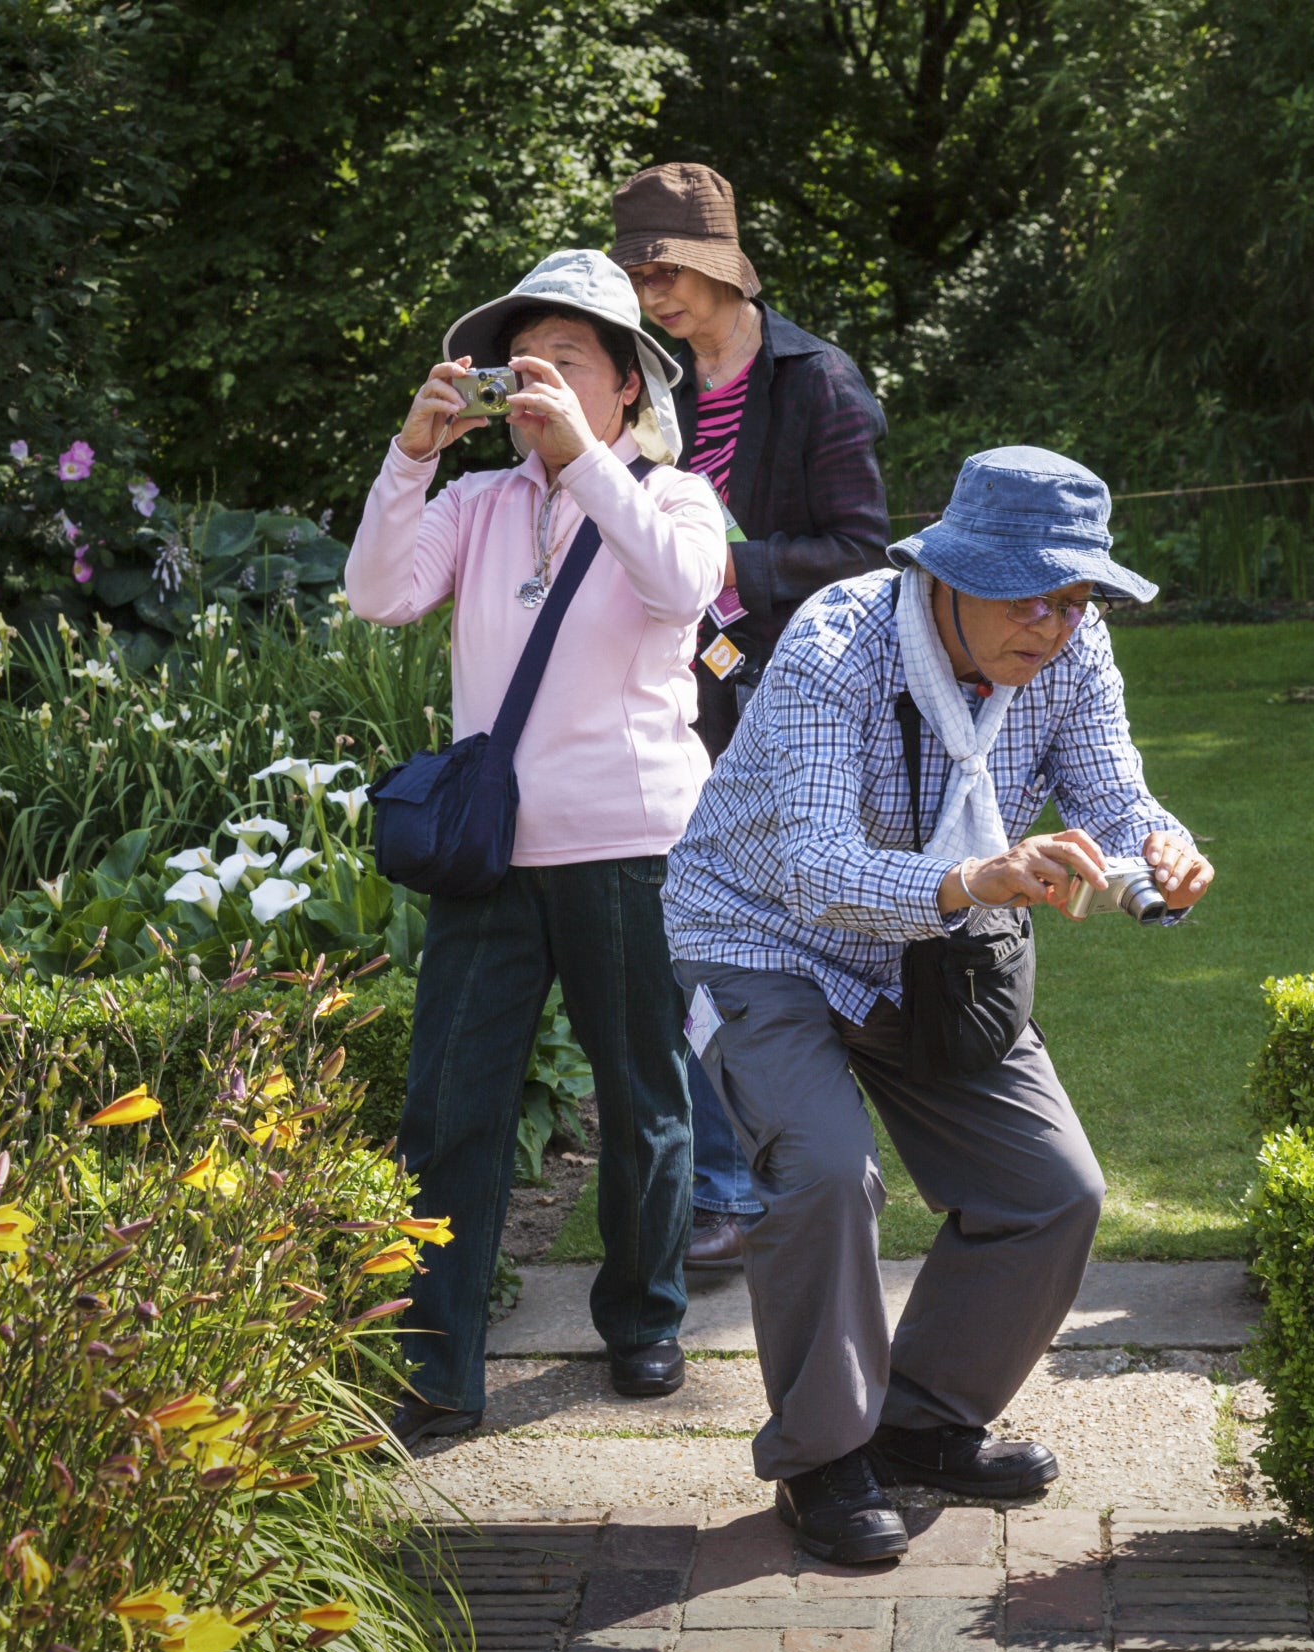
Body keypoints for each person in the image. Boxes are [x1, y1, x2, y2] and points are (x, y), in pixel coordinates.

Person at [660, 445, 1215, 1563]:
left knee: (1051, 1188)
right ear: (947, 573)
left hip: (944, 944)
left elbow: (1111, 789)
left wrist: (1163, 860)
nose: (1054, 623)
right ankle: (823, 1456)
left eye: (1076, 596)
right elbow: (815, 867)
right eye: (1028, 593)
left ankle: (921, 1419)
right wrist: (972, 879)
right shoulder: (834, 642)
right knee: (821, 1169)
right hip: (758, 935)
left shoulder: (1072, 645)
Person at [345, 249, 729, 1439]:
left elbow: (675, 589)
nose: (540, 379)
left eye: (568, 361)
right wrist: (412, 454)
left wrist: (585, 464)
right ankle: (437, 1360)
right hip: (492, 852)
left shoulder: (673, 497)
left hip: (630, 845)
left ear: (627, 387)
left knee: (643, 1095)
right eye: (526, 361)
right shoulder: (478, 504)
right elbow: (377, 592)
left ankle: (646, 1319)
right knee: (449, 1105)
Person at [609, 161, 893, 1274]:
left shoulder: (816, 382)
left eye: (671, 268)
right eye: (640, 272)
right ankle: (730, 1183)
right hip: (669, 692)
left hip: (787, 699)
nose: (655, 291)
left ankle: (776, 1178)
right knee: (692, 936)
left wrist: (730, 558)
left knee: (758, 941)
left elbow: (866, 556)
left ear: (722, 266)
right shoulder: (651, 380)